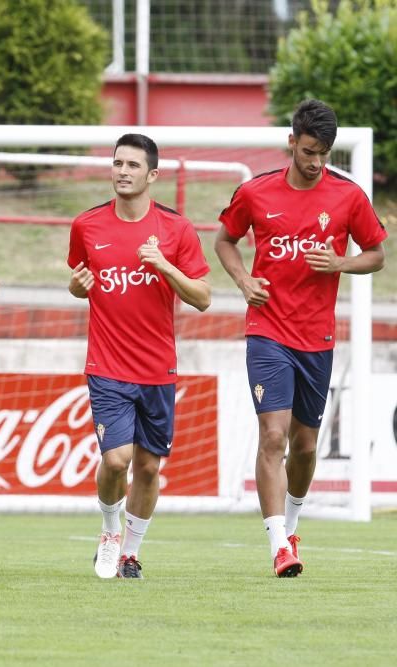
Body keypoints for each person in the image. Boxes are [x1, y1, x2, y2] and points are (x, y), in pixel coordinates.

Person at [214, 99, 386, 577]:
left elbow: (376, 254)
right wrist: (244, 280)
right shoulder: (255, 192)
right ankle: (278, 547)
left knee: (305, 445)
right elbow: (224, 239)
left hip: (317, 337)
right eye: (308, 151)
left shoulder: (347, 197)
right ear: (292, 142)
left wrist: (341, 264)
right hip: (267, 330)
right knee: (273, 436)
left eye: (323, 154)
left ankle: (291, 525)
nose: (315, 162)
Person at [68, 133, 210, 579]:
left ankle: (130, 552)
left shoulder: (176, 230)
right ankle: (110, 529)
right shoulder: (87, 226)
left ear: (152, 175)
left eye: (132, 165)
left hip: (157, 367)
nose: (123, 171)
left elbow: (204, 297)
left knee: (148, 467)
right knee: (116, 460)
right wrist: (78, 287)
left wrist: (165, 267)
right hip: (107, 365)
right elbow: (77, 280)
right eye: (117, 163)